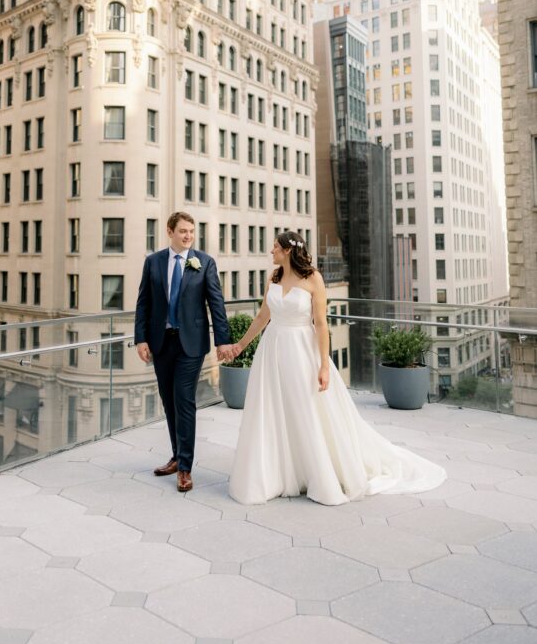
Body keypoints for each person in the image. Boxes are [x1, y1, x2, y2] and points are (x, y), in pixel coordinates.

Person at [227, 231, 447, 506]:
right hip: (271, 350)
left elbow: (321, 324)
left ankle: (317, 470)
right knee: (273, 408)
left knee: (304, 408)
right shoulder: (273, 278)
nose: (271, 252)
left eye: (275, 248)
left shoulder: (313, 279)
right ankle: (278, 472)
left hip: (301, 350)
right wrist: (240, 345)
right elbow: (262, 317)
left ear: (287, 251)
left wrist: (323, 366)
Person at [134, 211, 234, 493]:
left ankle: (186, 468)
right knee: (168, 400)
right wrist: (140, 338)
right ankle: (177, 456)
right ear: (170, 231)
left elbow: (217, 303)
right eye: (183, 231)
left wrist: (222, 340)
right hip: (160, 342)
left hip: (191, 343)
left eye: (191, 231)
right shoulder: (153, 262)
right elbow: (144, 303)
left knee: (184, 400)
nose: (188, 235)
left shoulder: (204, 262)